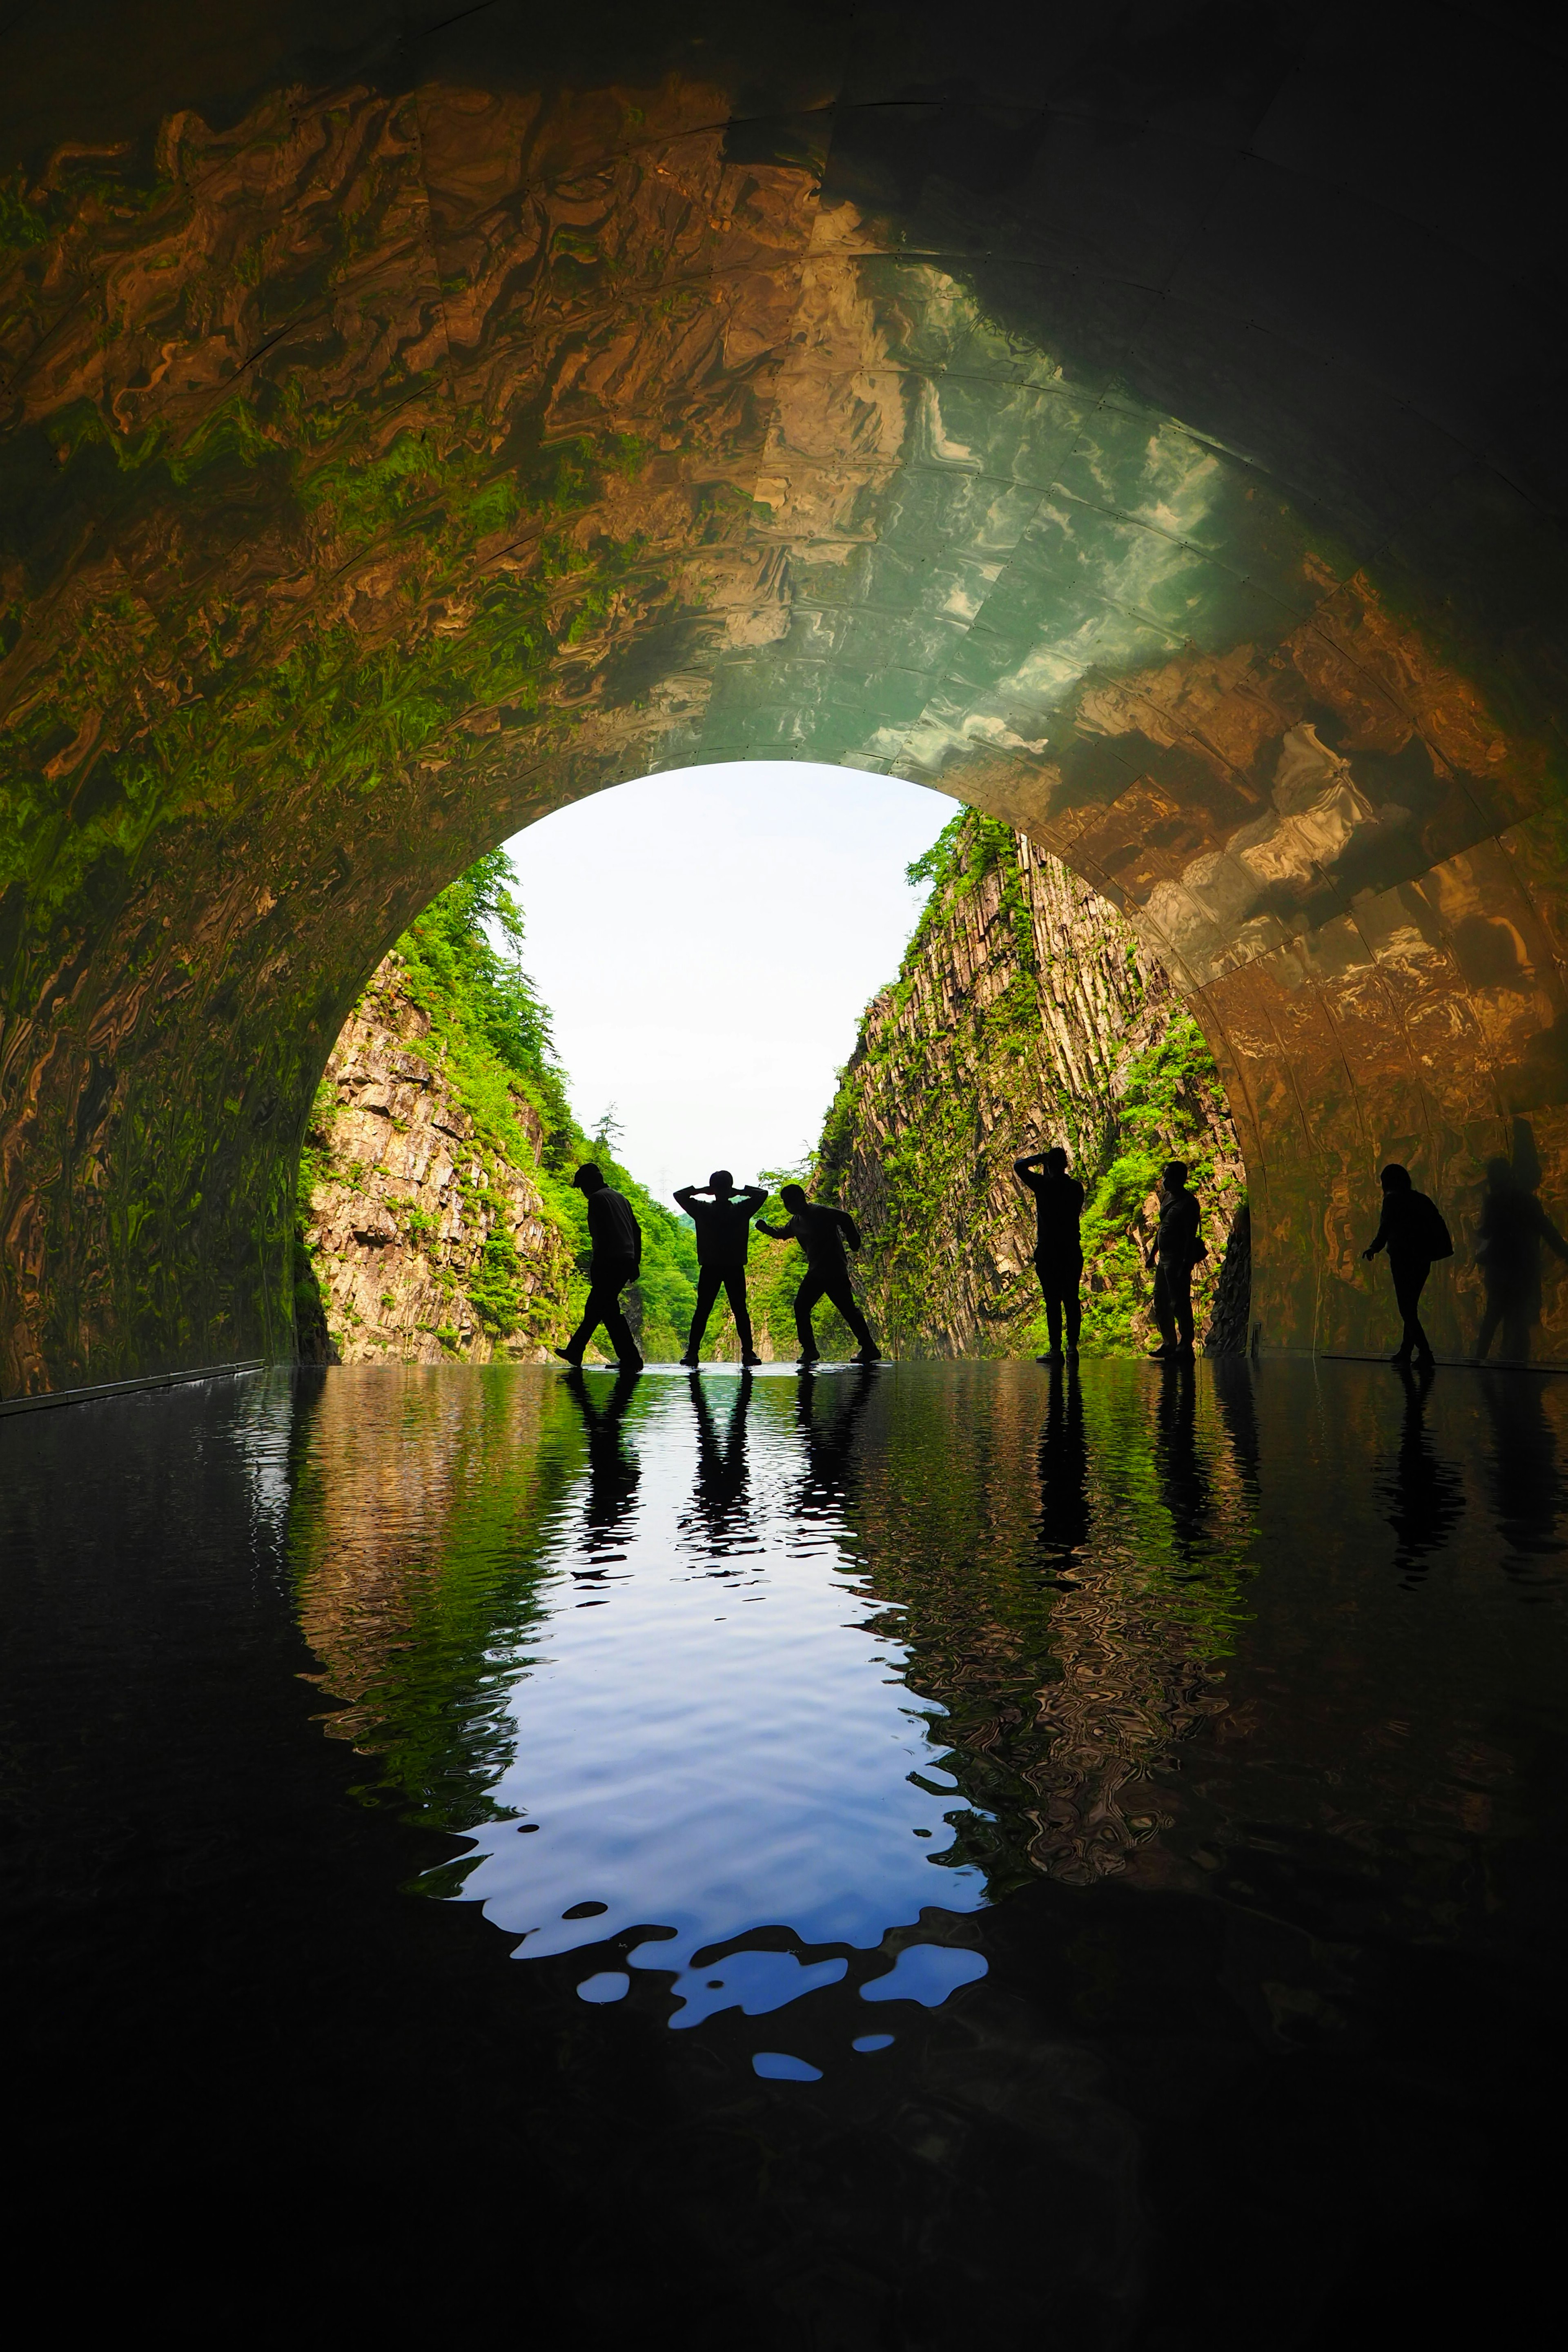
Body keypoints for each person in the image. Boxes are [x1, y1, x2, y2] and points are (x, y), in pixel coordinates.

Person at [755, 1183, 879, 1364]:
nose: (788, 1206)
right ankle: (862, 1348)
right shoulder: (797, 1221)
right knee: (832, 1309)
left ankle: (817, 1350)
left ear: (800, 1199)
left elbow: (845, 1218)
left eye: (789, 1202)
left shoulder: (820, 1212)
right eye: (786, 1203)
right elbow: (783, 1233)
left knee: (835, 1309)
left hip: (832, 1270)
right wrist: (767, 1230)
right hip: (820, 1271)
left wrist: (854, 1240)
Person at [1474, 1154, 1568, 1363]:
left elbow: (1486, 1232)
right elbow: (1547, 1230)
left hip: (1499, 1268)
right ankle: (1514, 1360)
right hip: (1525, 1267)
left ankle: (1478, 1360)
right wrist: (1564, 1252)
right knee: (1517, 1316)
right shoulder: (1528, 1200)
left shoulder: (1494, 1200)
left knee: (1493, 1314)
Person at [554, 1162, 644, 1370]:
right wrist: (635, 1262)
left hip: (609, 1262)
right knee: (605, 1309)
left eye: (583, 1186)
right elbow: (636, 1231)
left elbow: (600, 1235)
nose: (584, 1192)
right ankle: (582, 1351)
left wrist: (598, 1264)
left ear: (591, 1182)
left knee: (598, 1308)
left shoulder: (597, 1199)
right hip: (626, 1260)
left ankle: (628, 1359)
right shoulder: (621, 1198)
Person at [673, 1169, 766, 1367]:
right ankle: (748, 1353)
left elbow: (679, 1195)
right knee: (740, 1310)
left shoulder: (702, 1209)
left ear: (712, 1189)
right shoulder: (741, 1209)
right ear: (730, 1187)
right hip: (735, 1266)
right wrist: (740, 1191)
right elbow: (762, 1194)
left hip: (710, 1266)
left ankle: (692, 1353)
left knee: (702, 1311)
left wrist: (700, 1190)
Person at [1362, 1161, 1450, 1367]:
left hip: (1403, 1260)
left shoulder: (1393, 1201)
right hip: (1423, 1259)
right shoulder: (1421, 1199)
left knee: (1406, 1309)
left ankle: (1425, 1352)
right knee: (1411, 1306)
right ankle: (1406, 1351)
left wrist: (1374, 1248)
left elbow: (1385, 1229)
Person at [1015, 1145, 1085, 1362]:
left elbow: (1019, 1166)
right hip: (1072, 1249)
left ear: (1048, 1166)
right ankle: (1072, 1346)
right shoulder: (1076, 1188)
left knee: (1053, 1301)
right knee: (1072, 1298)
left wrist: (1041, 1159)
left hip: (1049, 1251)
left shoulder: (1043, 1186)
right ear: (1065, 1165)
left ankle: (1056, 1350)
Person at [1146, 1160, 1203, 1361]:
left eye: (1168, 1176)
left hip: (1178, 1259)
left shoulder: (1189, 1203)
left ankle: (1186, 1344)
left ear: (1178, 1178)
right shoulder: (1168, 1197)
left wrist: (1186, 1264)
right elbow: (1163, 1227)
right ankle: (1169, 1342)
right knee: (1160, 1301)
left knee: (1179, 1302)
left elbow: (1190, 1235)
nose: (1164, 1180)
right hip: (1164, 1259)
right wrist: (1153, 1253)